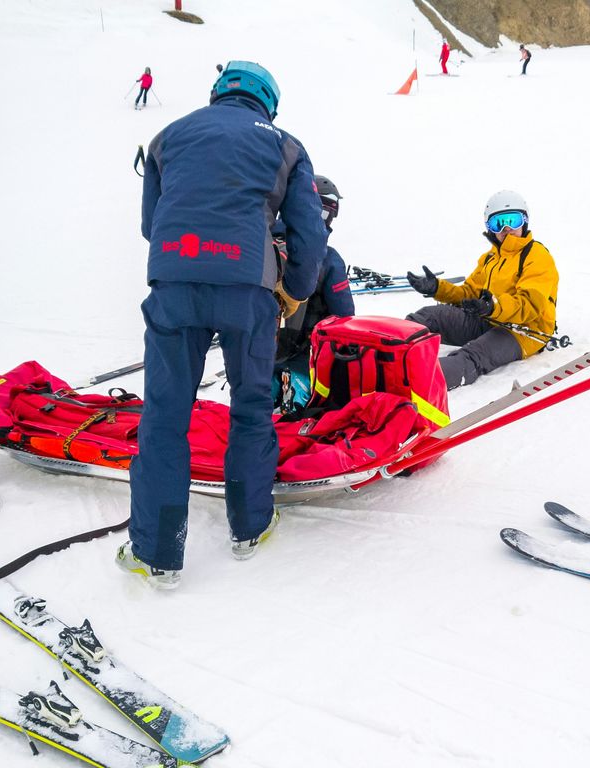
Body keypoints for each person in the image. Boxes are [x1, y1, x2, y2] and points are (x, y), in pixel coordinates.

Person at [120, 61, 327, 589]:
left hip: (174, 283)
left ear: (218, 92)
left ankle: (157, 553)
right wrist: (295, 289)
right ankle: (249, 528)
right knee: (250, 406)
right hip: (247, 290)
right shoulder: (285, 146)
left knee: (165, 414)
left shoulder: (169, 136)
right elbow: (309, 235)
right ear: (268, 102)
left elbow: (150, 224)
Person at [405, 191, 558, 390]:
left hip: (523, 332)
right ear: (489, 227)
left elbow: (529, 305)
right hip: (490, 319)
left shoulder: (537, 256)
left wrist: (493, 307)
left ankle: (412, 382)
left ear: (525, 221)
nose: (506, 229)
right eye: (498, 223)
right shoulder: (490, 258)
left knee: (472, 355)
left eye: (513, 221)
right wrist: (438, 288)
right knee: (430, 316)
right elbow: (469, 292)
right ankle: (388, 351)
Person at [272, 175, 355, 415]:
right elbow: (344, 316)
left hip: (255, 355)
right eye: (323, 213)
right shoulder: (328, 259)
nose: (325, 222)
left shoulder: (261, 244)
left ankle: (271, 389)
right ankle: (295, 394)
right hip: (305, 357)